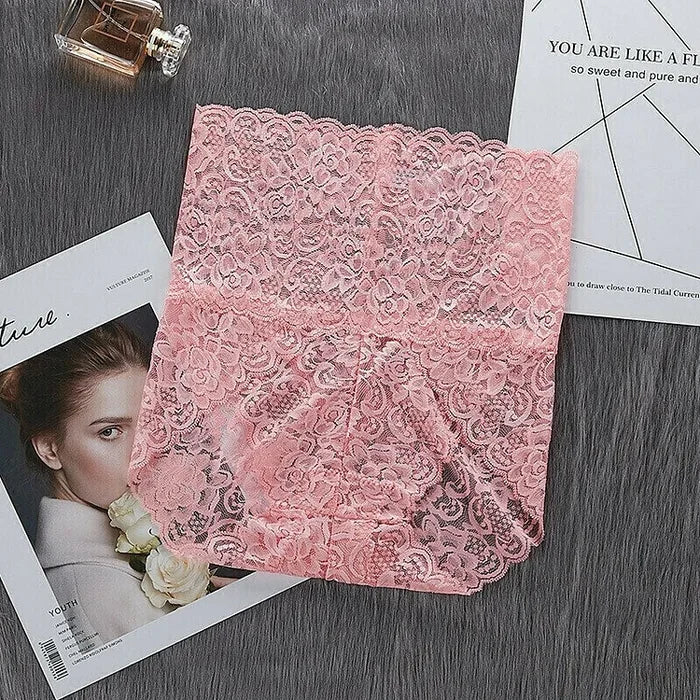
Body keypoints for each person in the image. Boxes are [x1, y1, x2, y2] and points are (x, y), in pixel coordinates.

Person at [0, 321, 176, 647]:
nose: (145, 451)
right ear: (50, 449)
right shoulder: (105, 595)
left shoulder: (120, 559)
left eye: (150, 421)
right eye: (109, 431)